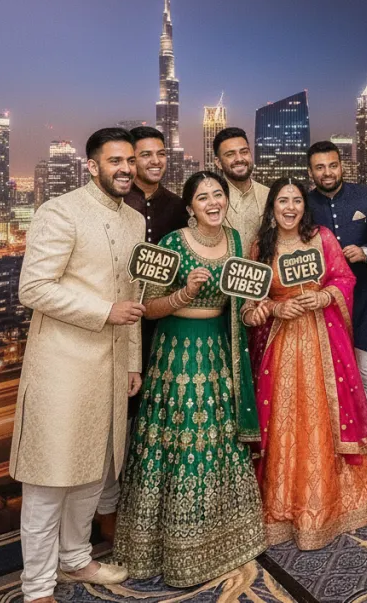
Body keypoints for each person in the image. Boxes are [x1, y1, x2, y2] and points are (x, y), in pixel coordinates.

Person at [11, 128, 144, 602]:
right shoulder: (60, 211)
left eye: (130, 160)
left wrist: (132, 362)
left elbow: (133, 297)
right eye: (115, 161)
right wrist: (103, 311)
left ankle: (75, 559)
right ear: (93, 166)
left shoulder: (134, 221)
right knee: (50, 480)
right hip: (62, 366)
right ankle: (38, 587)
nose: (125, 168)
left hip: (110, 368)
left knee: (94, 471)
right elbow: (34, 288)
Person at [113, 171, 265, 585]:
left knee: (220, 439)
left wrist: (255, 308)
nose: (213, 202)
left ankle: (226, 538)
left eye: (218, 195)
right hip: (178, 353)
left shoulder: (236, 242)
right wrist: (183, 295)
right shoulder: (174, 244)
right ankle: (174, 547)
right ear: (190, 206)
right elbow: (147, 307)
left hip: (221, 351)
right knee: (181, 440)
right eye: (203, 197)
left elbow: (246, 298)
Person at [245, 176, 367, 549]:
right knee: (285, 419)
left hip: (323, 339)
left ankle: (332, 506)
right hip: (281, 344)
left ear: (305, 205)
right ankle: (284, 509)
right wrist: (275, 307)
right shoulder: (261, 246)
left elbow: (344, 278)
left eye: (296, 201)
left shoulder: (322, 237)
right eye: (282, 201)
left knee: (322, 414)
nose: (290, 208)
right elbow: (250, 305)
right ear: (272, 206)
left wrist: (325, 297)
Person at [96, 125, 189, 539]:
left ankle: (149, 507)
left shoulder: (178, 205)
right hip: (117, 328)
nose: (152, 162)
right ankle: (107, 509)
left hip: (164, 331)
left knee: (155, 422)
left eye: (159, 154)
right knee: (116, 425)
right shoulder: (117, 203)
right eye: (142, 155)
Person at [306, 141, 367, 486]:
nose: (327, 172)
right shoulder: (305, 203)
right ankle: (339, 453)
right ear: (311, 171)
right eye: (319, 167)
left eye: (332, 165)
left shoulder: (366, 196)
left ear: (341, 166)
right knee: (331, 383)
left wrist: (365, 250)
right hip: (326, 307)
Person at [212, 127, 268, 253]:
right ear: (218, 162)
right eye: (230, 154)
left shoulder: (269, 195)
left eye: (244, 152)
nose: (239, 159)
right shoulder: (210, 201)